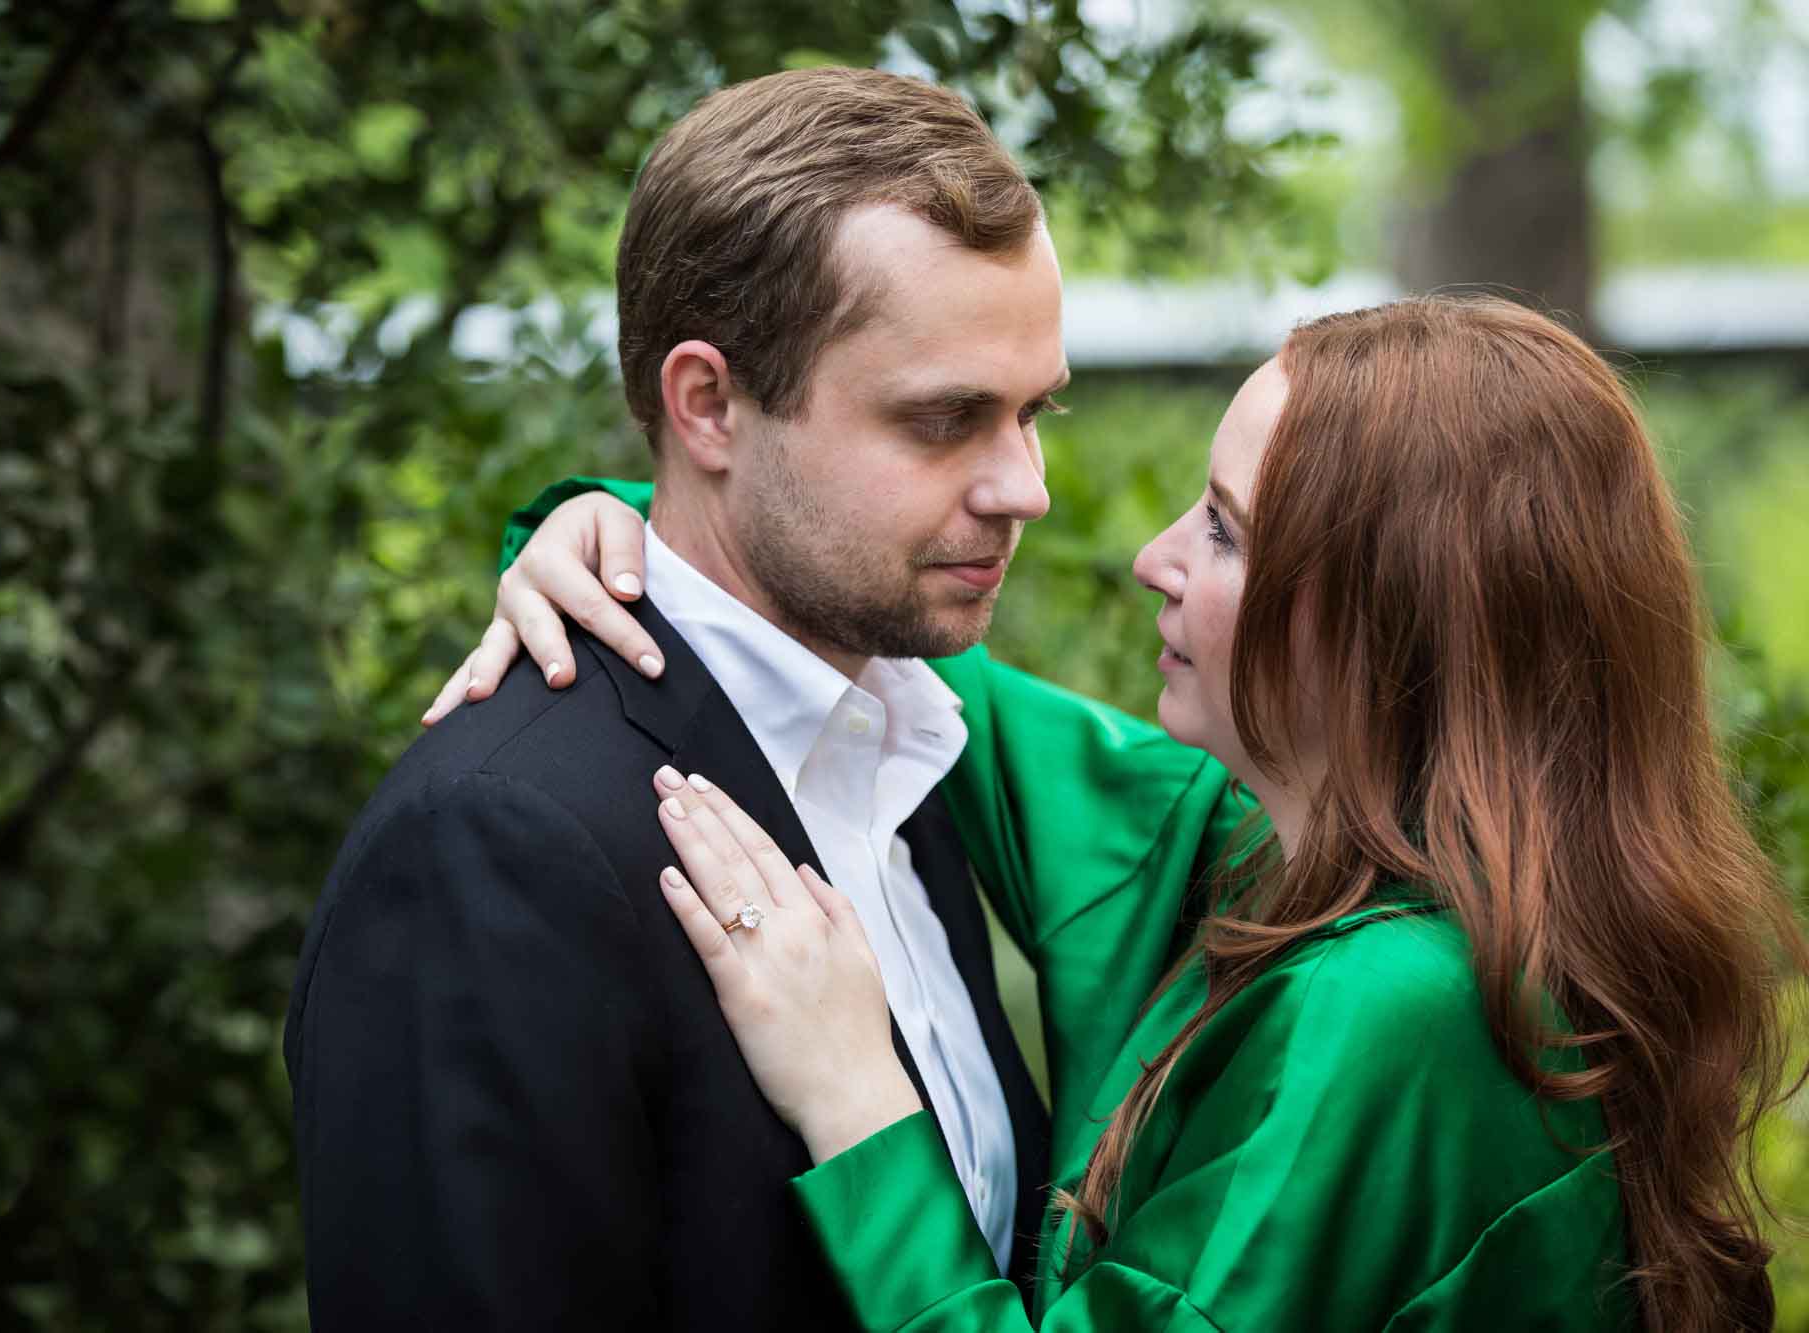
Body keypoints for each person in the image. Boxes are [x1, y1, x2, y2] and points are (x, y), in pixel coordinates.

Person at [435, 296, 1806, 1330]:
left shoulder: (1397, 1011)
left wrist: (856, 1091)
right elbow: (853, 640)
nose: (1155, 559)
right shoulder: (1260, 850)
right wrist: (629, 528)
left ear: (1388, 618)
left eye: (1223, 529)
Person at [284, 65, 1219, 1330]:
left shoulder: (909, 741)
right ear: (709, 405)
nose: (1024, 488)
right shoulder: (490, 847)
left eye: (1030, 413)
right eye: (944, 420)